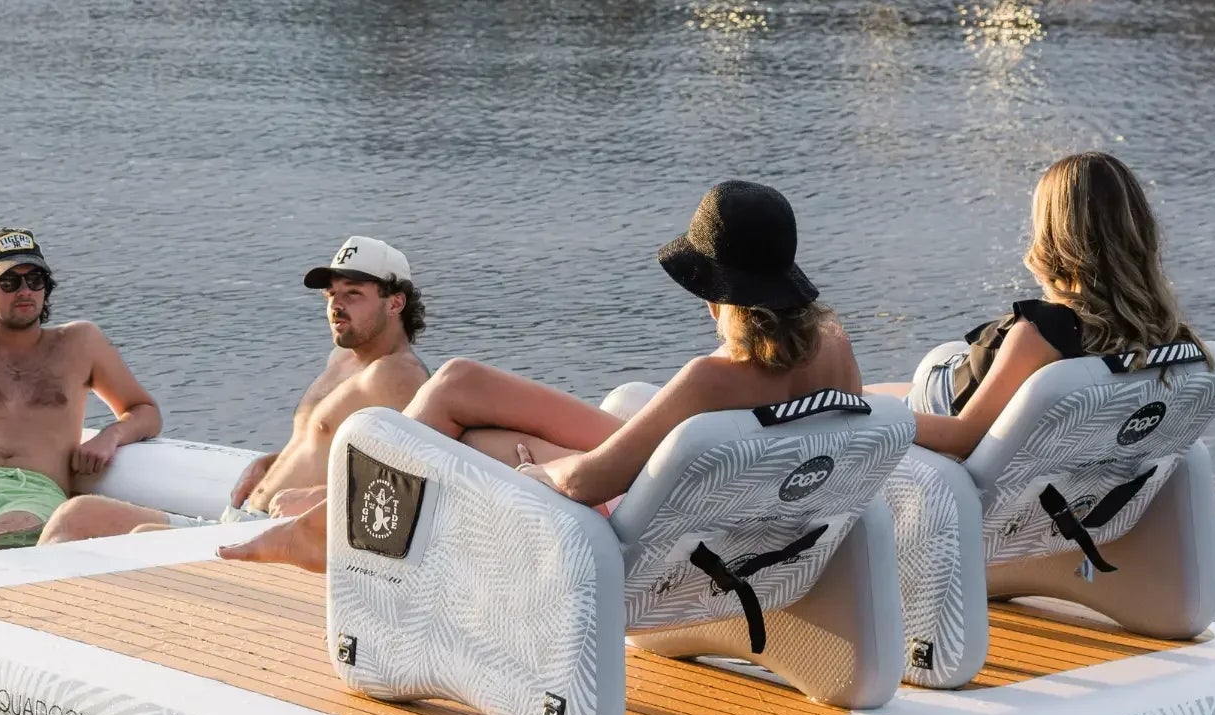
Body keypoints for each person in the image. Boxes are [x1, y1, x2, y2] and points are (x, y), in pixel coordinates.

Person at [221, 182, 860, 571]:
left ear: (721, 292)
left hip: (665, 529)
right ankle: (333, 506)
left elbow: (588, 480)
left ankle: (321, 528)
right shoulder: (832, 347)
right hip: (733, 514)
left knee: (466, 422)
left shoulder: (712, 378)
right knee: (459, 384)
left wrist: (539, 472)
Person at [38, 236, 430, 544]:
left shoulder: (399, 375)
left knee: (140, 539)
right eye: (332, 295)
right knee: (77, 516)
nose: (336, 306)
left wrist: (320, 500)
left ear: (395, 303)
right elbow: (329, 445)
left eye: (353, 295)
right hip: (238, 520)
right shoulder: (343, 360)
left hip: (273, 538)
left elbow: (415, 486)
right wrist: (274, 462)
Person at [869, 151, 1207, 459]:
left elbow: (964, 436)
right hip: (950, 390)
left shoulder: (1043, 332)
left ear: (1055, 235)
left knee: (856, 403)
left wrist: (879, 420)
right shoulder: (1163, 335)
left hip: (939, 411)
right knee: (866, 395)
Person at [0, 228, 163, 557]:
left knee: (8, 532)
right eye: (10, 283)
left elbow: (145, 411)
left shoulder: (81, 344)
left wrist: (110, 436)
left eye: (35, 280)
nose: (25, 291)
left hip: (38, 488)